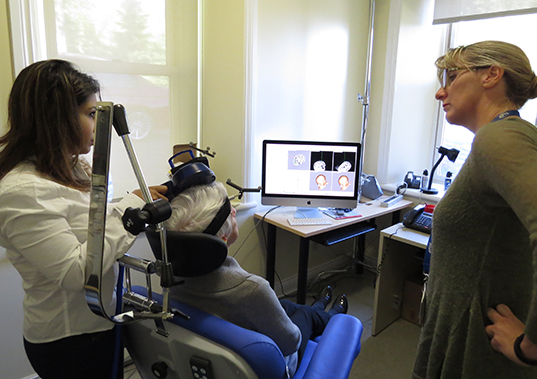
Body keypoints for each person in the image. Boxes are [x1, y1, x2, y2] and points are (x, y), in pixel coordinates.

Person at [0, 59, 167, 379]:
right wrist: (132, 219)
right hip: (69, 340)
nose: (97, 125)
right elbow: (77, 271)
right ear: (57, 118)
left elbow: (94, 228)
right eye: (91, 114)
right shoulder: (23, 191)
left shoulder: (74, 169)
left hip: (101, 320)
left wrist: (133, 201)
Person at [412, 41, 537, 379]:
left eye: (453, 76)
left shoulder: (501, 139)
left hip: (479, 347)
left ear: (491, 75)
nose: (440, 92)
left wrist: (533, 347)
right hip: (462, 331)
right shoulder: (504, 137)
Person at [165, 180, 349, 377]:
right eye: (230, 211)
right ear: (221, 240)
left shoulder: (169, 277)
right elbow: (291, 342)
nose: (234, 212)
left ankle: (319, 307)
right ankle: (331, 316)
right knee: (305, 316)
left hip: (220, 343)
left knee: (287, 305)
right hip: (274, 366)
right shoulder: (253, 289)